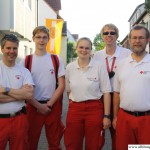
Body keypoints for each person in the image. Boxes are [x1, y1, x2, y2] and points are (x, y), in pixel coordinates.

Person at [21, 26, 65, 150]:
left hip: (52, 106)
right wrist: (38, 106)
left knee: (55, 142)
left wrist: (49, 104)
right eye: (38, 37)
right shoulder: (26, 61)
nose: (41, 40)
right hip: (33, 106)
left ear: (48, 39)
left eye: (44, 37)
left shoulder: (56, 59)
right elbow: (23, 89)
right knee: (30, 142)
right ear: (33, 39)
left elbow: (61, 85)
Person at [64, 37, 111, 150]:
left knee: (94, 144)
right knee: (72, 143)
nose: (84, 50)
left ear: (91, 50)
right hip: (75, 109)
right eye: (81, 47)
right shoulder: (70, 67)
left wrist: (106, 116)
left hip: (94, 109)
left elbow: (106, 91)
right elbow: (69, 90)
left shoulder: (99, 66)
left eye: (87, 48)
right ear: (76, 48)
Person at [94, 23, 131, 150]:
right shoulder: (96, 55)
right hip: (101, 98)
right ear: (102, 36)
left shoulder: (127, 54)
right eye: (106, 33)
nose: (109, 35)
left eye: (112, 33)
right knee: (98, 135)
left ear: (117, 36)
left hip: (120, 98)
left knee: (119, 135)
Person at [113, 25, 150, 150]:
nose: (137, 41)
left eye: (141, 38)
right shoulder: (122, 64)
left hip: (147, 121)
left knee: (142, 149)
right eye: (134, 38)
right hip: (125, 119)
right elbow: (117, 93)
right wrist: (115, 117)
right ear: (129, 40)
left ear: (148, 40)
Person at [0, 34, 34, 150]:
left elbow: (29, 94)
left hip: (19, 120)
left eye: (14, 48)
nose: (12, 51)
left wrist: (5, 89)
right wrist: (20, 95)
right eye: (8, 48)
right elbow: (24, 94)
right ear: (2, 49)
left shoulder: (24, 71)